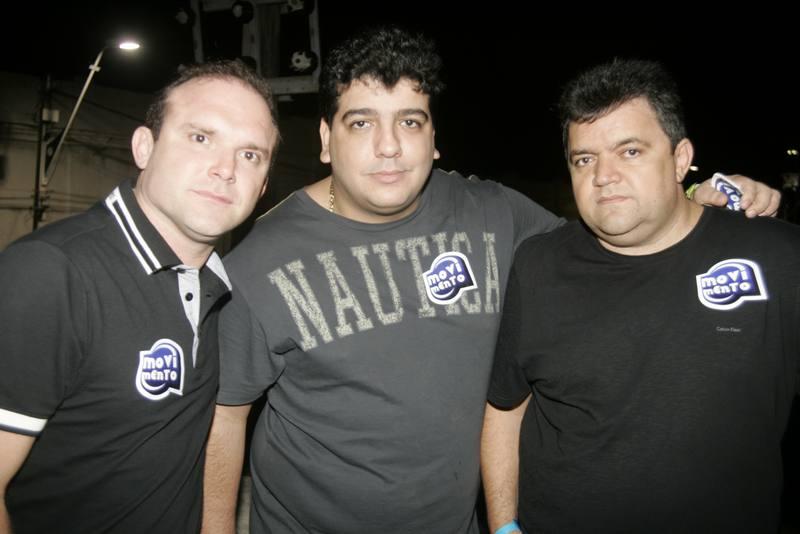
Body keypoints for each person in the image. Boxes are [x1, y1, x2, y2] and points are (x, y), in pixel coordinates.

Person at [202, 28, 779, 533]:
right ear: (327, 140)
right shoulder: (259, 258)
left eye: (410, 121)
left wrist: (695, 197)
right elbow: (224, 415)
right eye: (362, 122)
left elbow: (610, 239)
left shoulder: (492, 213)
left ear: (434, 138)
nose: (389, 145)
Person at [482, 58, 799, 534]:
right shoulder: (536, 265)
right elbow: (505, 407)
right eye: (584, 159)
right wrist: (504, 526)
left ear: (680, 158)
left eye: (629, 151)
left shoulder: (777, 258)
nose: (603, 175)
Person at [0, 59, 279, 533]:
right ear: (144, 147)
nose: (226, 169)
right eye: (201, 137)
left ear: (264, 184)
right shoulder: (52, 273)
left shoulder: (217, 284)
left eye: (250, 154)